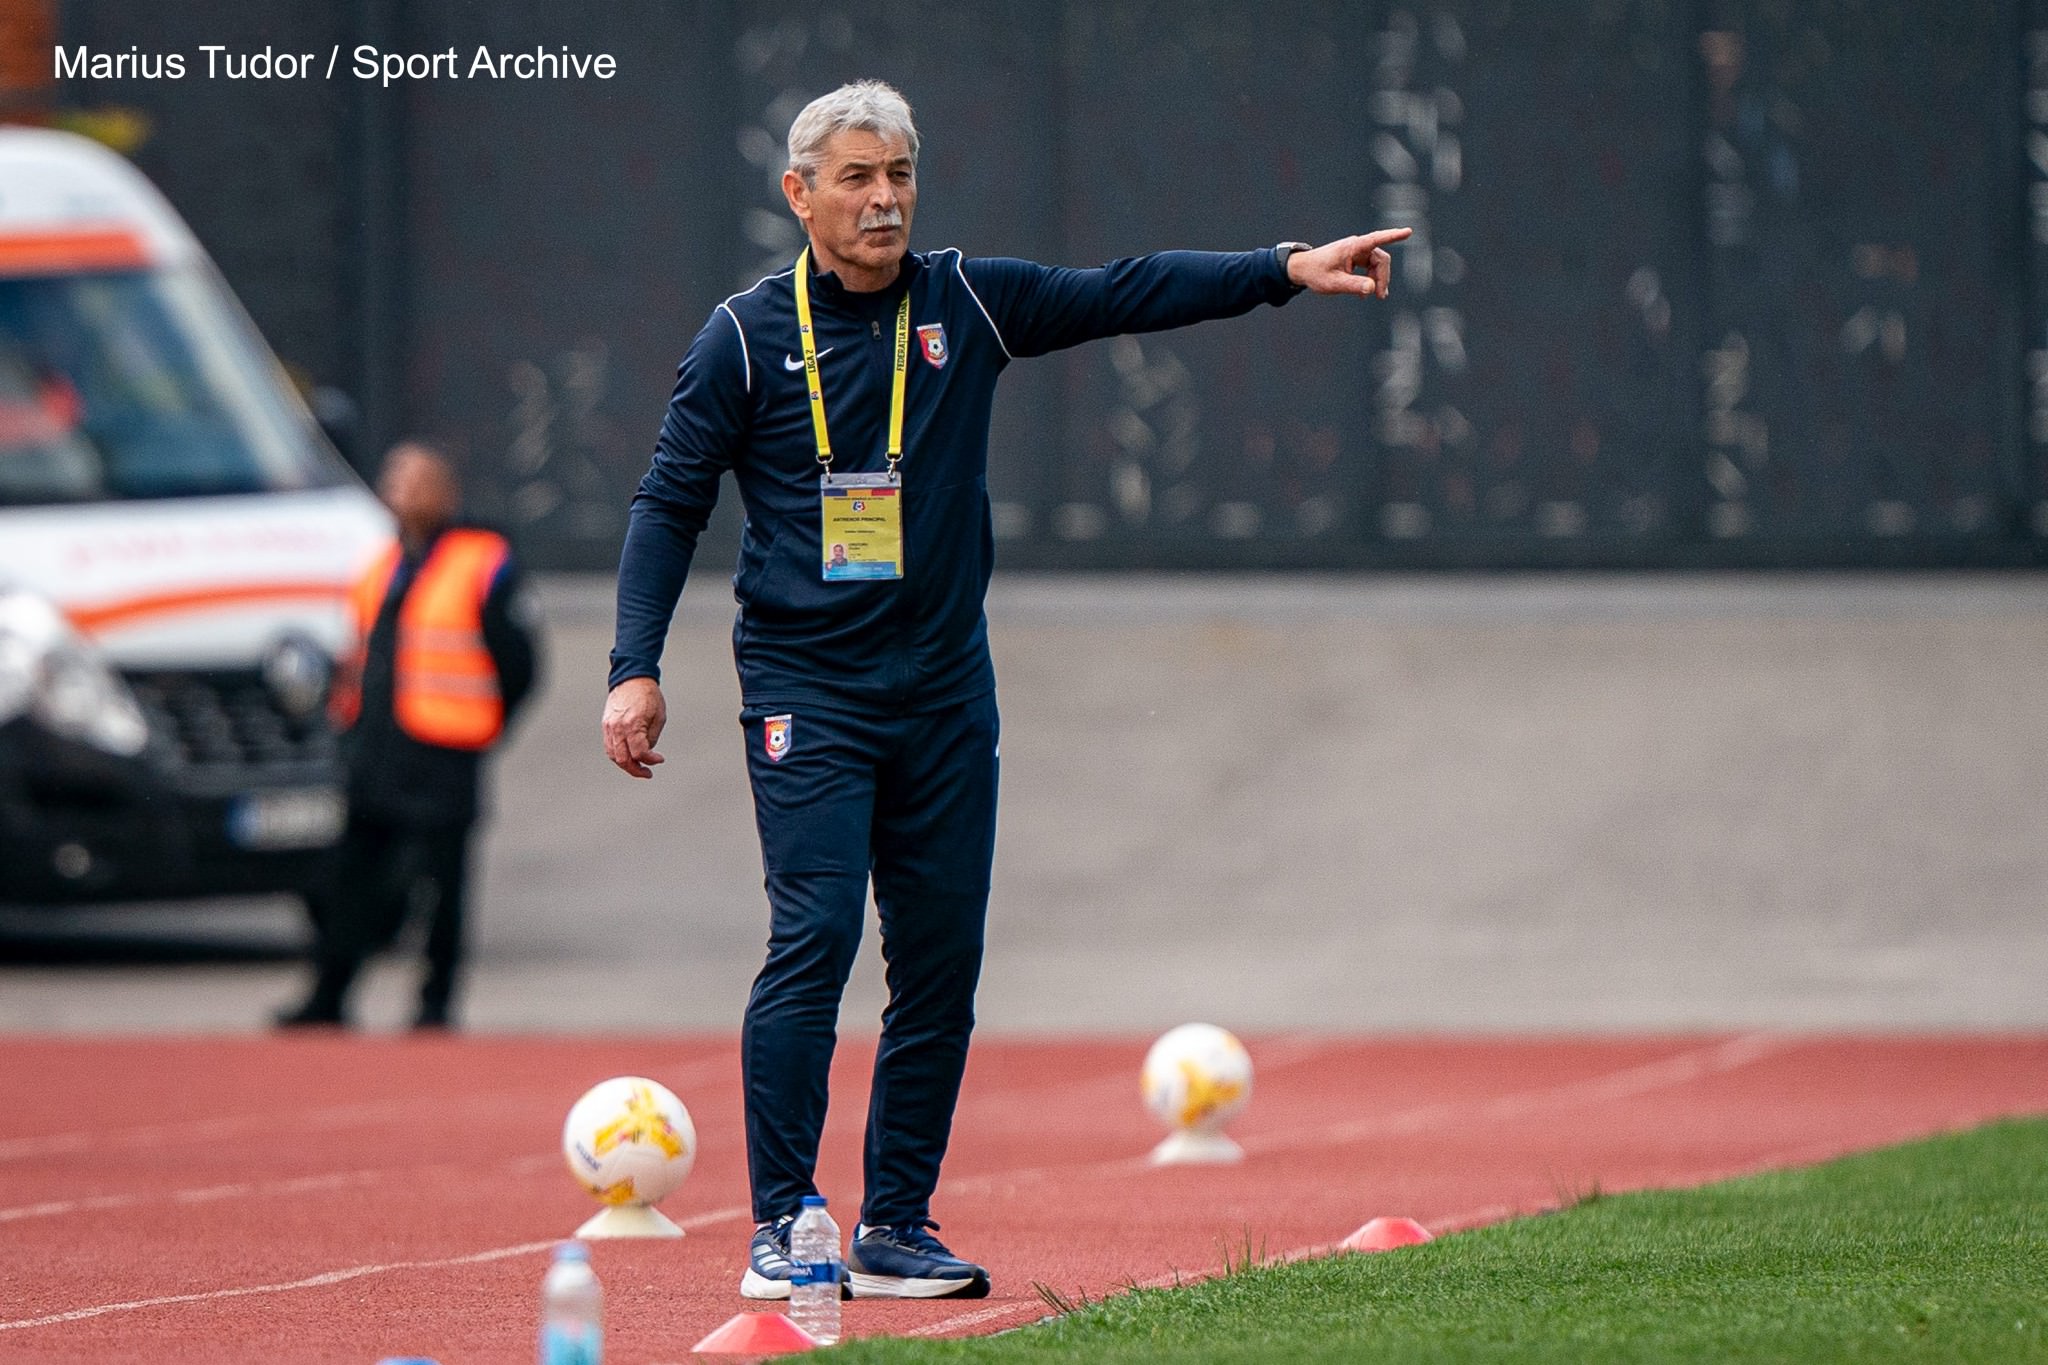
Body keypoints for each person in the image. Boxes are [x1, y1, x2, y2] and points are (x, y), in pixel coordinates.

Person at [602, 80, 1408, 1300]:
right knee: (814, 936)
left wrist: (1284, 267)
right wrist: (633, 667)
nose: (884, 200)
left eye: (900, 176)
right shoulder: (744, 337)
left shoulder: (965, 299)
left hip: (942, 693)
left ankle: (894, 1226)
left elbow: (1122, 289)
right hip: (805, 688)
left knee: (939, 963)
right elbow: (667, 503)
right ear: (799, 193)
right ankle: (781, 1225)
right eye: (858, 178)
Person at [279, 441, 540, 1030]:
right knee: (348, 879)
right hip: (377, 753)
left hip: (447, 754)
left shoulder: (484, 560)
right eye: (393, 479)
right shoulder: (380, 565)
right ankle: (329, 995)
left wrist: (489, 725)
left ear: (443, 492)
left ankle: (435, 1005)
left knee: (445, 888)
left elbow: (520, 663)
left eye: (414, 480)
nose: (399, 491)